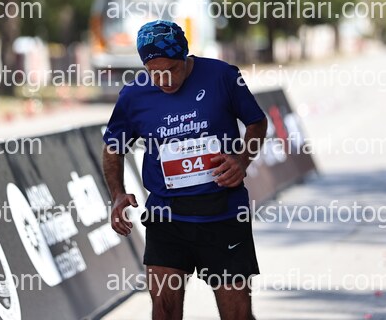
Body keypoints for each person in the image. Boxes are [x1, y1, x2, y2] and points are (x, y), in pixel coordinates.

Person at [102, 20, 268, 320]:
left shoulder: (222, 76)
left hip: (224, 215)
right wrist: (117, 194)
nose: (164, 80)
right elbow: (113, 147)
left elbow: (256, 122)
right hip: (166, 219)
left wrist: (242, 159)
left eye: (172, 69)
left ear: (185, 57)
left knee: (237, 315)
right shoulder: (133, 95)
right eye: (155, 73)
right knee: (164, 311)